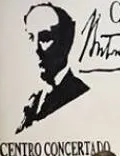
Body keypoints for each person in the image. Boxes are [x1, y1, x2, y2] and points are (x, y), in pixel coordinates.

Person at [17, 2, 90, 133]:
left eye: (45, 38)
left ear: (66, 40)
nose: (35, 49)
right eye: (31, 37)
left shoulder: (78, 93)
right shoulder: (33, 99)